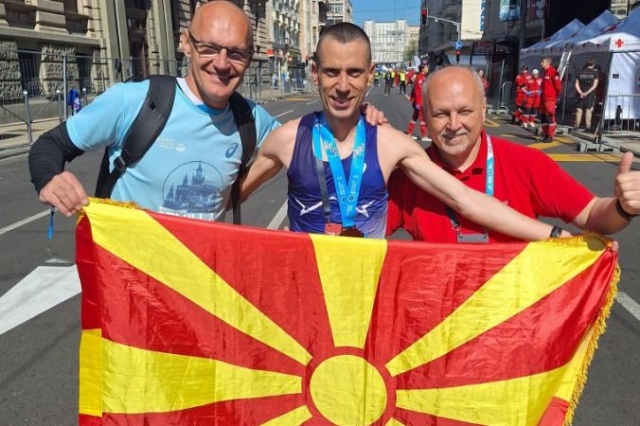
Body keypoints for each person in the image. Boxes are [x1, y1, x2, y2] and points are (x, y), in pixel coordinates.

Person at [27, 1, 384, 220]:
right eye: (209, 48)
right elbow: (49, 146)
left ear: (249, 58)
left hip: (200, 289)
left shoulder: (250, 120)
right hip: (130, 286)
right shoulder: (134, 101)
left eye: (236, 53)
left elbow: (312, 145)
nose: (222, 64)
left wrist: (360, 116)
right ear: (186, 44)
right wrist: (49, 178)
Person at [241, 23, 571, 240]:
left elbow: (466, 199)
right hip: (305, 298)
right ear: (315, 73)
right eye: (331, 72)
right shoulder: (287, 139)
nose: (342, 85)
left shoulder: (390, 143)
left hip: (368, 302)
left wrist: (552, 235)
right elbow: (228, 197)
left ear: (370, 74)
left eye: (353, 72)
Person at [386, 65, 640, 243]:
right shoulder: (408, 177)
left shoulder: (526, 164)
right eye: (441, 114)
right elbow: (363, 242)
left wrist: (623, 207)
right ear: (425, 117)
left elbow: (592, 213)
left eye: (465, 112)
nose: (453, 125)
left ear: (483, 110)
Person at [539, 56, 563, 143]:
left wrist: (555, 97)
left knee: (549, 117)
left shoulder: (553, 72)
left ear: (548, 63)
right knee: (543, 117)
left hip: (550, 99)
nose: (541, 63)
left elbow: (558, 87)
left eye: (543, 61)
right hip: (543, 98)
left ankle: (550, 136)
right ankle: (545, 134)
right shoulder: (544, 72)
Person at [573, 58, 599, 132]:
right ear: (593, 65)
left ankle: (576, 126)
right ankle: (588, 127)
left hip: (581, 94)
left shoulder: (580, 72)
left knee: (579, 109)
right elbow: (594, 86)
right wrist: (587, 93)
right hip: (590, 94)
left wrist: (581, 92)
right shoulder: (595, 73)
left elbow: (576, 84)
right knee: (588, 110)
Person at [406, 64, 430, 142]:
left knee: (414, 118)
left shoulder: (422, 77)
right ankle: (424, 135)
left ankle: (409, 133)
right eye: (426, 67)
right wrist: (418, 103)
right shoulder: (420, 78)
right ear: (422, 69)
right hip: (420, 102)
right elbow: (417, 91)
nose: (428, 68)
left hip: (420, 101)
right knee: (422, 119)